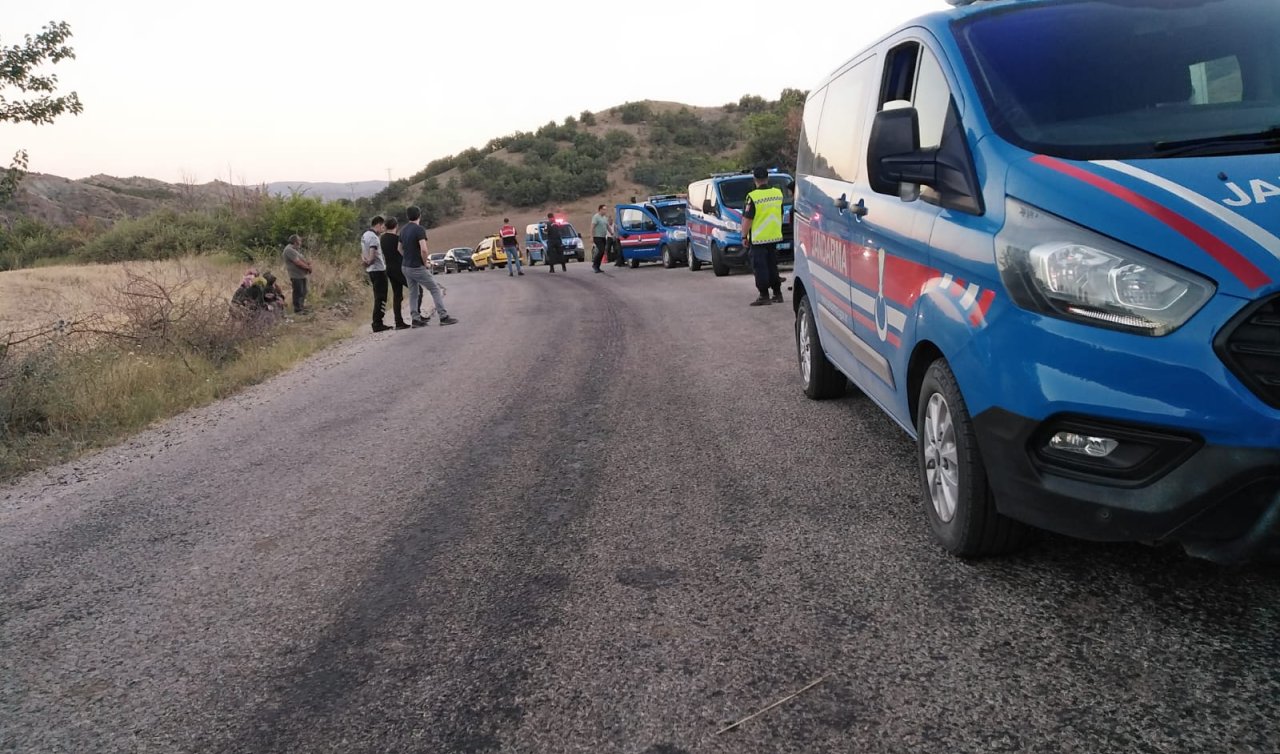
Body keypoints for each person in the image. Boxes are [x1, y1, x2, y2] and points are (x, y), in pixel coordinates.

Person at [399, 205, 458, 327]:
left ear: (407, 216)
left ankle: (415, 318)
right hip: (416, 266)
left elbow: (399, 248)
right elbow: (424, 250)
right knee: (435, 288)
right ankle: (443, 316)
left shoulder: (403, 230)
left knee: (413, 292)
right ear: (419, 215)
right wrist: (424, 262)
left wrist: (407, 256)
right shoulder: (419, 229)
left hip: (405, 266)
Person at [741, 167, 786, 306]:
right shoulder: (778, 193)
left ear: (754, 179)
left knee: (760, 267)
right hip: (774, 236)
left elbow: (748, 219)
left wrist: (744, 236)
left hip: (759, 238)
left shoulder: (752, 197)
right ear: (767, 178)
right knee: (772, 266)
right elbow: (781, 213)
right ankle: (778, 294)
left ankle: (764, 295)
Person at [380, 217, 410, 330]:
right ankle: (417, 316)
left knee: (397, 295)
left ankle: (398, 321)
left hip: (389, 269)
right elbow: (403, 252)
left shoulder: (382, 239)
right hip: (399, 268)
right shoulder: (397, 239)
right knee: (416, 289)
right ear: (396, 226)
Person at [362, 216, 391, 332]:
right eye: (383, 226)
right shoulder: (374, 237)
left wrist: (365, 263)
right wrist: (369, 262)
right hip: (378, 270)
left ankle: (377, 322)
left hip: (370, 271)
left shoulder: (364, 235)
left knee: (377, 296)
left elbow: (363, 252)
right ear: (378, 224)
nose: (383, 229)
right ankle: (378, 322)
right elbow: (373, 255)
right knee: (381, 297)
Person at [281, 234, 313, 313]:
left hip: (301, 275)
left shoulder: (295, 249)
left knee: (303, 291)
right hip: (296, 275)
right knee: (298, 292)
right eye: (299, 240)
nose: (301, 242)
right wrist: (308, 267)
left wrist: (307, 263)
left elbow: (301, 260)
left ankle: (301, 307)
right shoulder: (289, 250)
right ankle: (298, 309)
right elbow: (297, 262)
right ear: (295, 242)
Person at [590, 204, 610, 273]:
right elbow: (592, 227)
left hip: (603, 237)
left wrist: (612, 233)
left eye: (606, 209)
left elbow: (607, 226)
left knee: (602, 252)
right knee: (601, 250)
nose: (605, 211)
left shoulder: (604, 218)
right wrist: (591, 236)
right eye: (604, 209)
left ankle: (597, 266)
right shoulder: (596, 217)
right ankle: (595, 265)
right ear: (600, 209)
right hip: (597, 237)